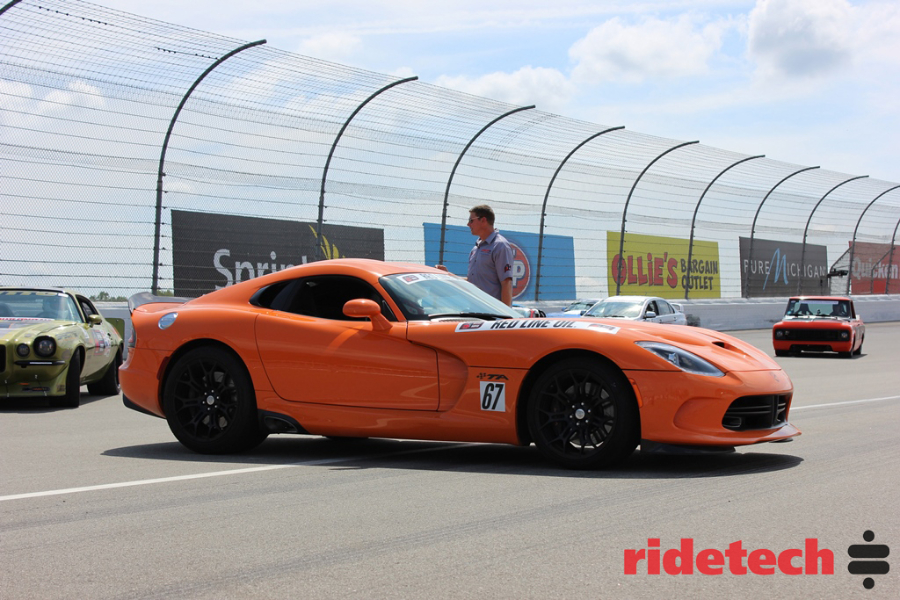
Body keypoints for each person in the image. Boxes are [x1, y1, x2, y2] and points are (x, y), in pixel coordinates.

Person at [436, 204, 514, 306]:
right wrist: (448, 275)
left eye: (471, 220)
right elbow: (472, 282)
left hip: (492, 311)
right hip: (475, 309)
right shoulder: (476, 248)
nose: (468, 224)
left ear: (483, 220)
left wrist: (505, 314)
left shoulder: (500, 246)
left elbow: (506, 283)